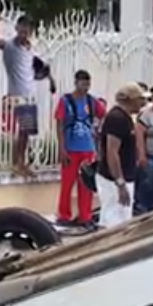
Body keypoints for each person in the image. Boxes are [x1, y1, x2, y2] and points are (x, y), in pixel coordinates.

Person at [0, 12, 54, 178]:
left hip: (29, 94)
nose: (24, 34)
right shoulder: (10, 46)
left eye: (27, 31)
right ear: (16, 28)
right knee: (23, 130)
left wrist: (51, 80)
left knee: (26, 132)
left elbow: (38, 69)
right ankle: (18, 163)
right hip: (18, 95)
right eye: (21, 30)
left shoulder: (30, 49)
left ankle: (21, 163)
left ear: (31, 31)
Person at [54, 70, 102, 229]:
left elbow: (104, 115)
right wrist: (62, 148)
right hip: (71, 148)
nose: (86, 87)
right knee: (67, 184)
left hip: (88, 149)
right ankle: (64, 215)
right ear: (76, 82)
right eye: (83, 84)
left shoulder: (92, 101)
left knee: (86, 185)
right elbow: (59, 125)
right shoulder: (65, 101)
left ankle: (85, 216)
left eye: (88, 84)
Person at [96, 83, 145, 227]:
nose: (142, 103)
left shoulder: (127, 118)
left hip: (125, 176)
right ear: (130, 100)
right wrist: (120, 182)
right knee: (113, 220)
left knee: (123, 217)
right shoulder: (117, 118)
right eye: (139, 99)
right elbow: (112, 152)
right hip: (113, 180)